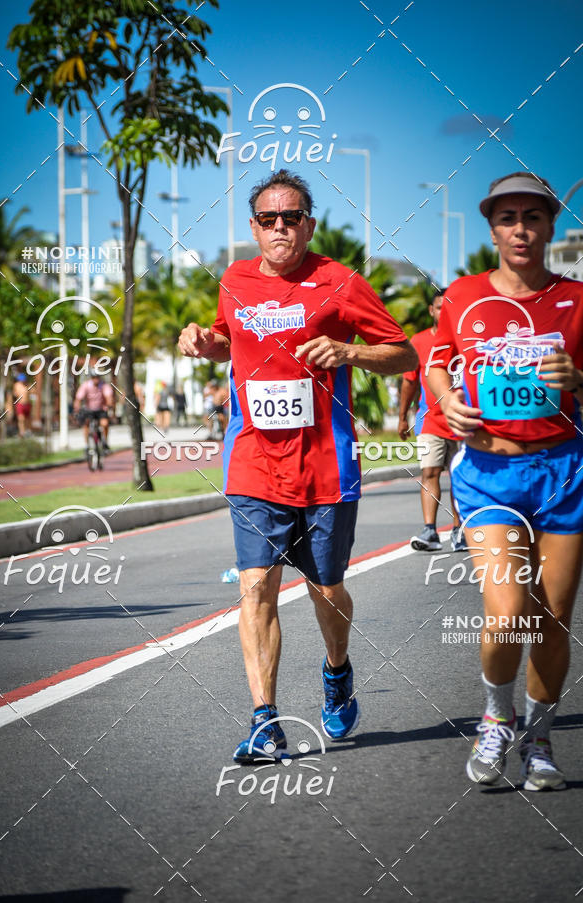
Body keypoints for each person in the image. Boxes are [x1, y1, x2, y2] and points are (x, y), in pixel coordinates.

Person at [178, 169, 417, 763]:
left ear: (308, 224)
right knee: (256, 586)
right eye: (268, 219)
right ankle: (265, 721)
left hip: (326, 465)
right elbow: (225, 339)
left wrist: (349, 351)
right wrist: (206, 344)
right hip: (254, 462)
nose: (280, 228)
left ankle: (337, 671)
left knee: (326, 588)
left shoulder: (339, 282)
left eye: (291, 218)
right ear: (254, 227)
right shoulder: (232, 281)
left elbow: (406, 353)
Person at [427, 172, 583, 790]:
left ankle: (539, 740)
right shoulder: (463, 296)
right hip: (490, 472)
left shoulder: (577, 300)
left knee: (551, 620)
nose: (521, 229)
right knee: (508, 614)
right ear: (492, 229)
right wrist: (448, 400)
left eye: (533, 217)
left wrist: (577, 378)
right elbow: (438, 361)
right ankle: (496, 716)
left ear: (548, 226)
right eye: (508, 218)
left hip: (564, 471)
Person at [398, 291, 466, 552]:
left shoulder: (466, 339)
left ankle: (460, 530)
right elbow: (409, 381)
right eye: (439, 307)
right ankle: (430, 531)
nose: (444, 312)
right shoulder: (420, 341)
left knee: (459, 476)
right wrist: (403, 417)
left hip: (463, 421)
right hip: (430, 421)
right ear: (431, 310)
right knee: (429, 472)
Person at [74, 368, 114, 450]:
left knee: (105, 424)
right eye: (94, 377)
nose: (96, 379)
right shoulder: (86, 385)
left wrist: (109, 405)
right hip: (89, 410)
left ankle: (104, 442)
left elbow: (109, 396)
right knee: (86, 424)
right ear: (91, 378)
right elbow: (79, 398)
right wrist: (77, 407)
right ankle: (87, 445)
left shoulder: (104, 386)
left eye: (97, 377)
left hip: (101, 409)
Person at [11, 373, 32, 438]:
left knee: (27, 419)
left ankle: (28, 431)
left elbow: (33, 391)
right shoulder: (16, 385)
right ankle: (22, 432)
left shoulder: (28, 385)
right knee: (21, 419)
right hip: (20, 404)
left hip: (27, 404)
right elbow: (14, 394)